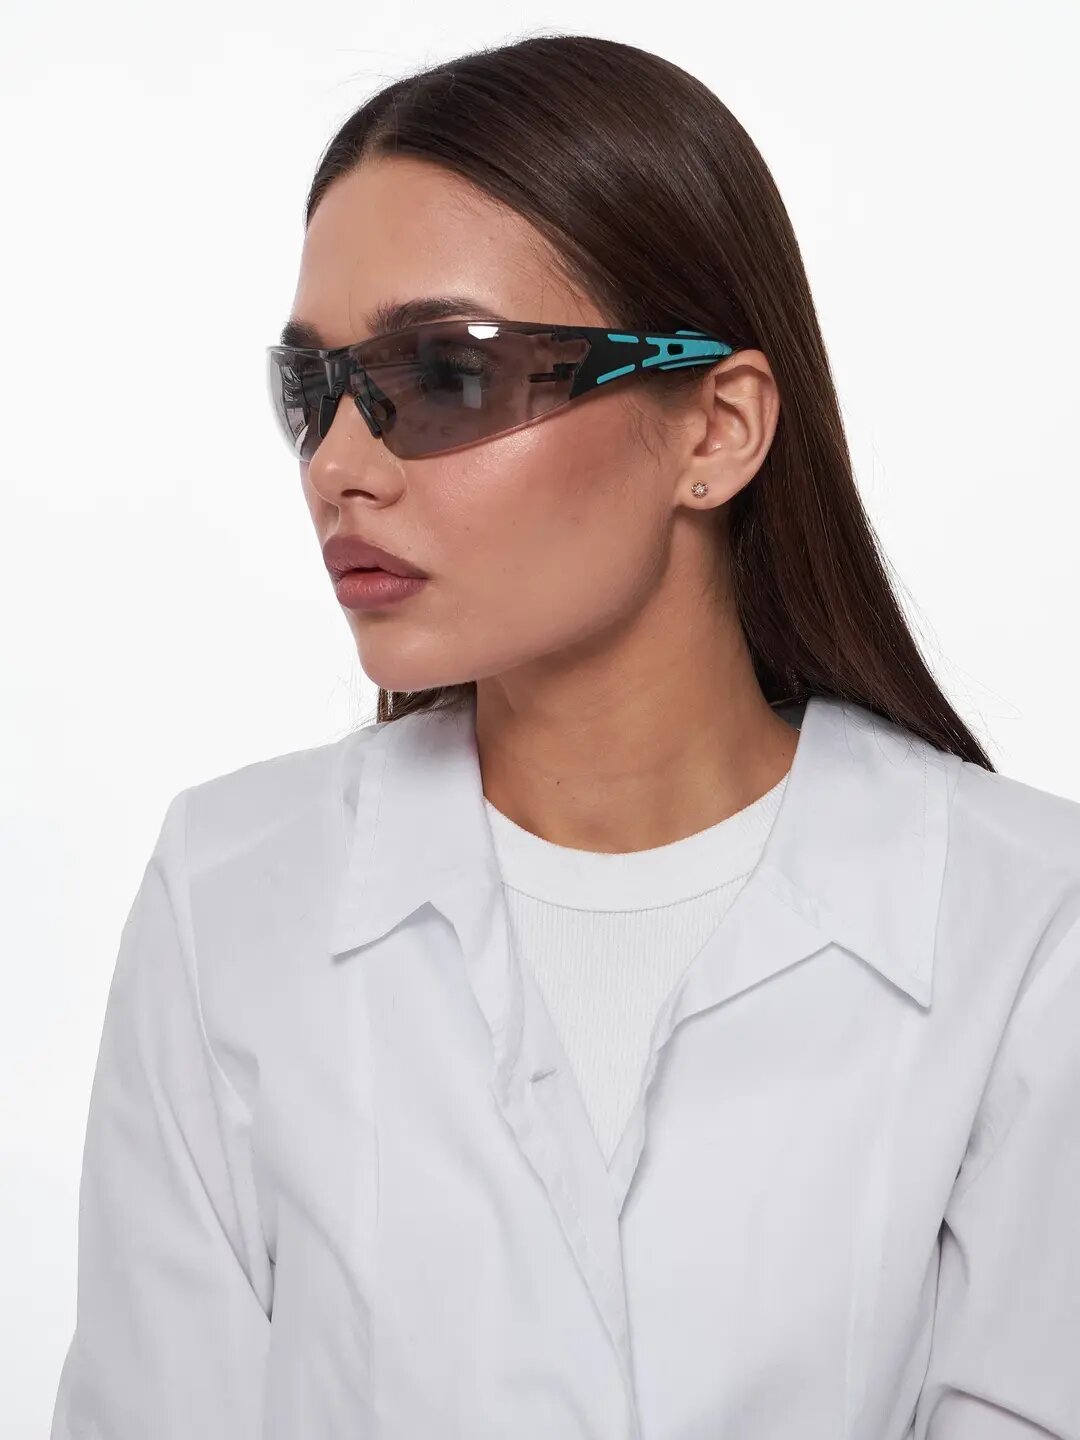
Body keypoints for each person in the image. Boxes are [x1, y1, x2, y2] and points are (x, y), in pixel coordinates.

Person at [51, 32, 1080, 1440]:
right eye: (314, 389)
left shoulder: (1026, 925)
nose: (339, 465)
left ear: (715, 428)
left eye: (444, 374)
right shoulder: (230, 894)